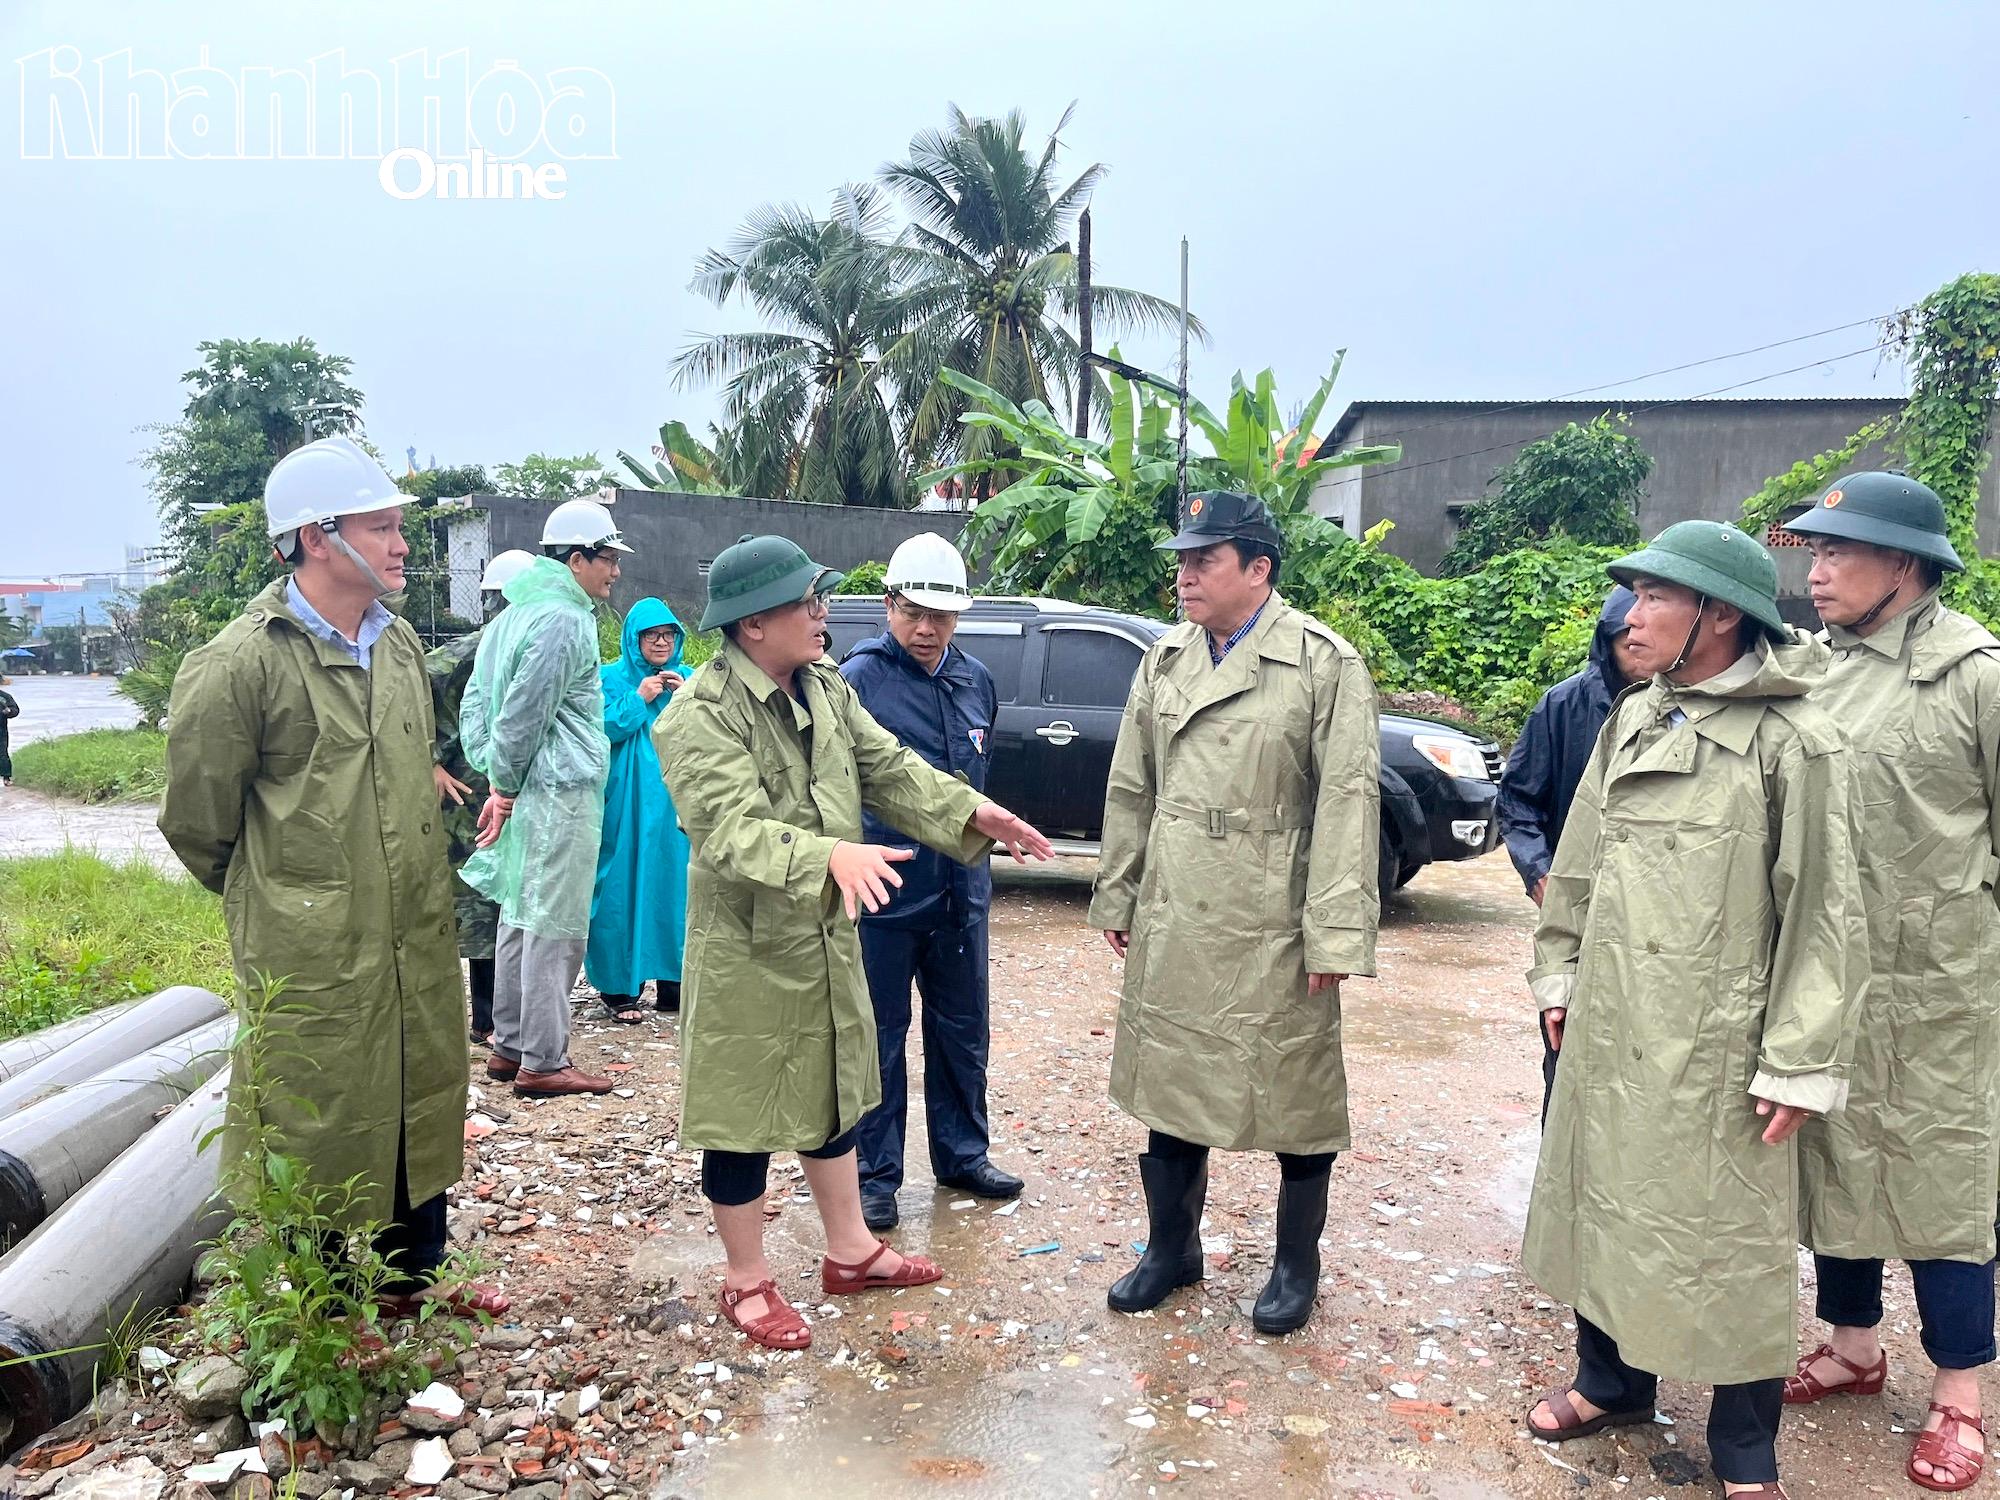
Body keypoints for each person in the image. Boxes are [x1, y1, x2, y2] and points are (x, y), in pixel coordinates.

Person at [1523, 521, 1866, 1500]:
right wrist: (1559, 979)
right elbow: (1576, 871)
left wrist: (1798, 1061)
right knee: (1605, 1208)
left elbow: (1823, 916)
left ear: (1716, 616)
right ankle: (1611, 1382)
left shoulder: (1790, 741)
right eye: (1631, 596)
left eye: (1652, 599)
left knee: (1729, 1245)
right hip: (1611, 1025)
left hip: (1719, 1043)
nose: (1628, 618)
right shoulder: (1633, 717)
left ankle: (1744, 1445)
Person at [655, 533, 1052, 1353]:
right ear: (752, 624)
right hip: (750, 946)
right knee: (744, 1113)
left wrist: (969, 813)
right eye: (807, 602)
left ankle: (851, 1251)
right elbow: (726, 831)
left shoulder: (827, 686)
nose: (823, 613)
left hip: (826, 934)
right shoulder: (698, 714)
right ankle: (746, 1280)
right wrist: (829, 855)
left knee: (833, 1087)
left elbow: (887, 766)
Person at [157, 436, 504, 1316]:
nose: (401, 546)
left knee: (416, 1085)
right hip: (309, 945)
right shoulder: (241, 663)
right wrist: (291, 898)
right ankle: (323, 1303)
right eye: (381, 526)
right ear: (317, 537)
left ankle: (416, 1277)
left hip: (411, 927)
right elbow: (198, 823)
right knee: (312, 1109)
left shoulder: (395, 651)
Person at [1090, 490, 1380, 1338]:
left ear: (1258, 569)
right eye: (1181, 559)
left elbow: (1347, 806)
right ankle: (1170, 1250)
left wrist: (1333, 932)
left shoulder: (1324, 663)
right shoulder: (1165, 659)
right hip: (1181, 903)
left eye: (1202, 559)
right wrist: (1121, 887)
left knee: (1295, 1092)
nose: (1184, 574)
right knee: (1172, 1086)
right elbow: (1132, 783)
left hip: (1272, 914)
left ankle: (1297, 1265)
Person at [1780, 472, 2000, 1493]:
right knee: (1831, 1159)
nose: (1814, 572)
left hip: (1938, 985)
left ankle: (1960, 1395)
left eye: (1836, 554)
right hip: (1829, 974)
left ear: (1901, 567)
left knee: (1938, 1178)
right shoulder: (1807, 668)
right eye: (1811, 553)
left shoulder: (1973, 676)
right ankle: (1853, 1345)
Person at [841, 533, 1019, 1231]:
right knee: (879, 1037)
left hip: (961, 892)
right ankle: (875, 1175)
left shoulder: (974, 679)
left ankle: (963, 1155)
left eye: (941, 617)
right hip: (885, 892)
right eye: (913, 612)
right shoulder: (856, 680)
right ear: (888, 604)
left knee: (962, 1030)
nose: (926, 629)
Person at [460, 499, 627, 1098]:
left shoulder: (513, 616)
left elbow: (478, 705)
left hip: (531, 788)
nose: (614, 571)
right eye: (607, 559)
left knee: (519, 911)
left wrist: (499, 779)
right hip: (559, 792)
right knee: (555, 921)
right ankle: (544, 1059)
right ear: (576, 559)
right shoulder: (562, 618)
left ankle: (509, 1047)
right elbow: (525, 713)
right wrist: (504, 783)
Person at [1497, 585, 1641, 1119]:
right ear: (1607, 642)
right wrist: (1540, 874)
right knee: (1566, 1058)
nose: (1639, 642)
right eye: (1626, 636)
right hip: (1576, 916)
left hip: (1651, 919)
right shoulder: (1565, 706)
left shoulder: (1685, 711)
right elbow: (1517, 801)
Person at [428, 548, 535, 1045]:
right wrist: (428, 761)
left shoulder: (528, 647)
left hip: (512, 791)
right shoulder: (469, 651)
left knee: (512, 899)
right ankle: (487, 1020)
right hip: (470, 793)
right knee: (479, 903)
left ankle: (505, 1017)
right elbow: (410, 690)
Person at [586, 597, 691, 1022]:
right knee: (620, 885)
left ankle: (675, 983)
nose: (661, 642)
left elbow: (714, 729)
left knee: (674, 886)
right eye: (652, 635)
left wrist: (686, 699)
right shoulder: (611, 678)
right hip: (625, 804)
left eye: (668, 634)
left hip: (674, 805)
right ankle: (619, 988)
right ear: (635, 639)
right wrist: (637, 698)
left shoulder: (689, 680)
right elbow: (597, 730)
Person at [0, 681, 16, 786]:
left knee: (2, 753)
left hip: (1, 730)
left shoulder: (4, 697)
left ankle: (6, 777)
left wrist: (9, 711)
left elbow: (15, 710)